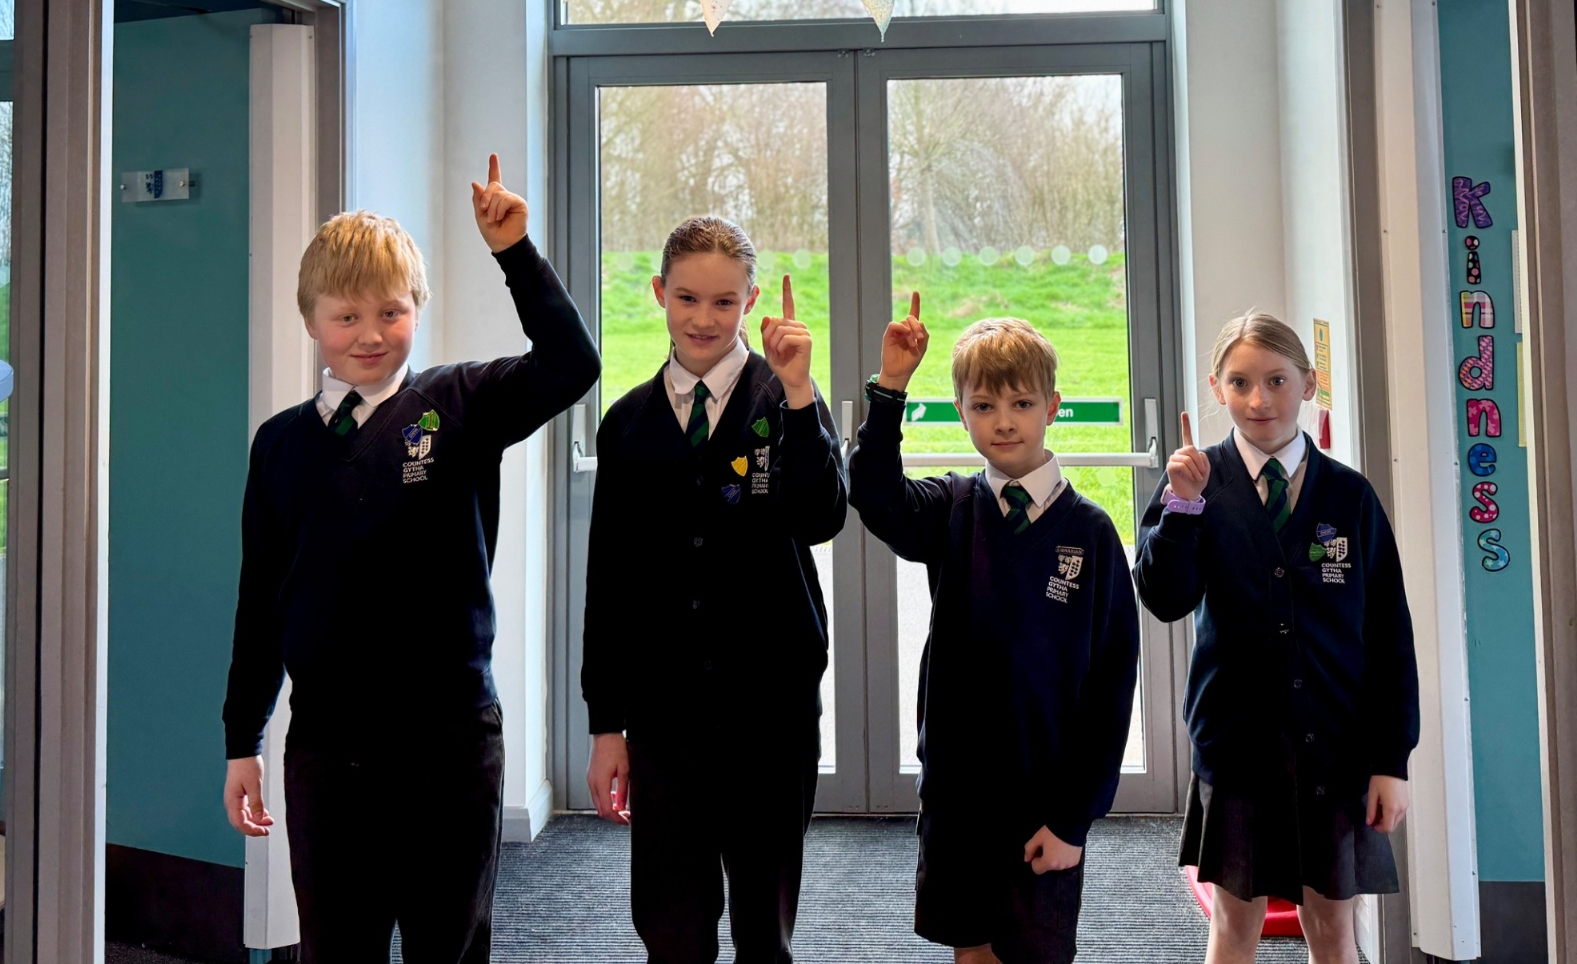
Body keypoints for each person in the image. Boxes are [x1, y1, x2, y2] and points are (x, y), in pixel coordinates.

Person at [220, 155, 600, 963]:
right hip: (327, 752)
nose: (369, 334)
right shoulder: (279, 446)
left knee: (447, 947)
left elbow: (573, 366)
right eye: (346, 316)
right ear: (311, 320)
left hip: (450, 745)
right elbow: (262, 601)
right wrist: (242, 738)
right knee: (336, 950)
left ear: (417, 311)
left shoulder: (461, 404)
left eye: (390, 312)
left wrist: (514, 253)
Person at [582, 216, 847, 964]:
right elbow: (609, 580)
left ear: (751, 301)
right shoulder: (626, 424)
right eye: (688, 299)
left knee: (764, 929)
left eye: (725, 302)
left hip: (770, 710)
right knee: (672, 927)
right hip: (664, 715)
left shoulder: (786, 401)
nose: (704, 319)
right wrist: (606, 724)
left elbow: (822, 516)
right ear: (659, 293)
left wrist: (800, 392)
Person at [850, 301, 1139, 964]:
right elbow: (875, 495)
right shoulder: (949, 509)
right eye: (983, 406)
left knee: (1035, 953)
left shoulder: (1092, 533)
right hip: (958, 796)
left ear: (1052, 407)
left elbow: (1111, 690)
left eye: (1021, 404)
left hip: (1045, 799)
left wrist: (1073, 819)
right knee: (972, 952)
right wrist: (890, 387)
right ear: (961, 412)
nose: (1004, 421)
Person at [1134, 310, 1420, 964]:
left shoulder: (1349, 496)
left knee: (1333, 926)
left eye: (1276, 380)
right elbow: (1164, 598)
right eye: (1239, 383)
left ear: (1308, 383)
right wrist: (1182, 508)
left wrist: (1391, 759)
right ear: (1217, 388)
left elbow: (1389, 634)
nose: (1259, 399)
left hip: (1337, 751)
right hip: (1238, 747)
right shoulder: (1195, 484)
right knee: (1236, 924)